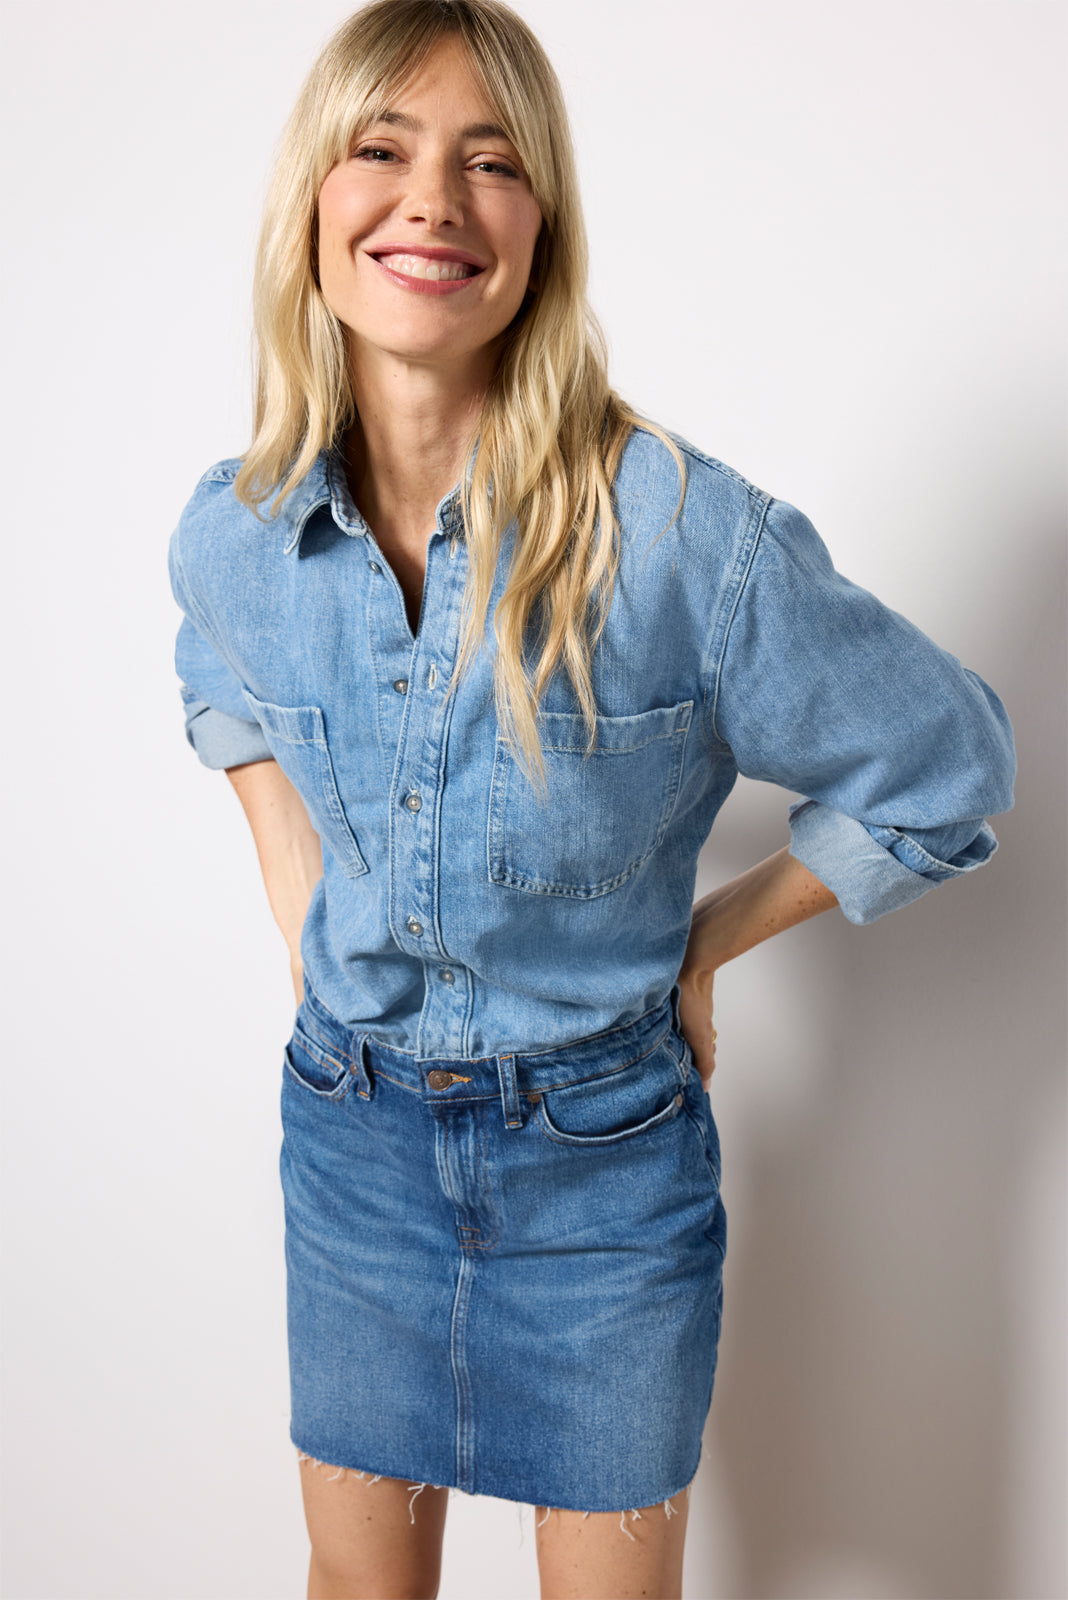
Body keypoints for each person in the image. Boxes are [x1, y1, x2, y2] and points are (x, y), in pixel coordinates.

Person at [167, 1, 1016, 1595]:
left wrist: (709, 938)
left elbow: (950, 761)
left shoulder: (682, 537)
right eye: (383, 148)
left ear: (542, 226)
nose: (433, 199)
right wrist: (293, 880)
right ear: (314, 203)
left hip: (606, 1173)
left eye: (491, 161)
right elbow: (216, 670)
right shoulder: (241, 527)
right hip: (350, 1147)